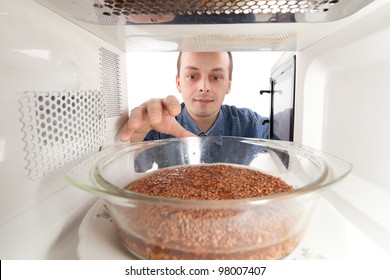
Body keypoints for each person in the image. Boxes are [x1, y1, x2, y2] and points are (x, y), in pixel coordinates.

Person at [120, 52, 269, 143]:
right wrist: (136, 136)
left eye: (216, 77)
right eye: (192, 76)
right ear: (178, 83)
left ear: (228, 85)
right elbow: (127, 170)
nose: (204, 87)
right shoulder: (157, 124)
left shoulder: (250, 124)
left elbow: (287, 139)